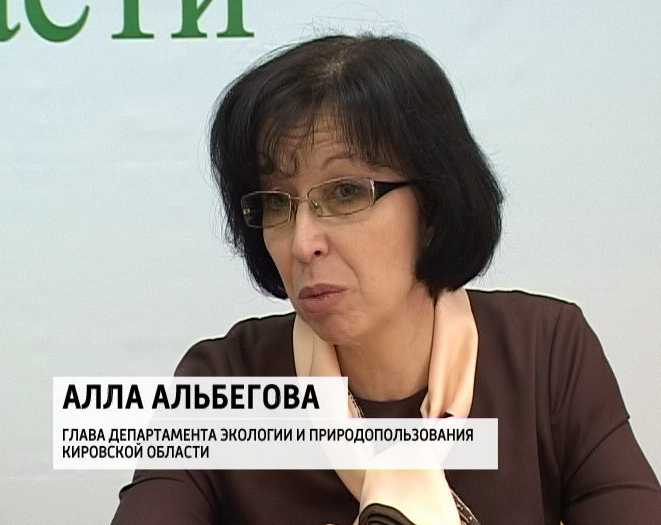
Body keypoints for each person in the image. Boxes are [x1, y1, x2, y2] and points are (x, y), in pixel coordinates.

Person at [111, 33, 661, 524]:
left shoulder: (546, 353)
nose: (302, 242)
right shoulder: (223, 381)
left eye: (345, 192)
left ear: (433, 205)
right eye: (277, 203)